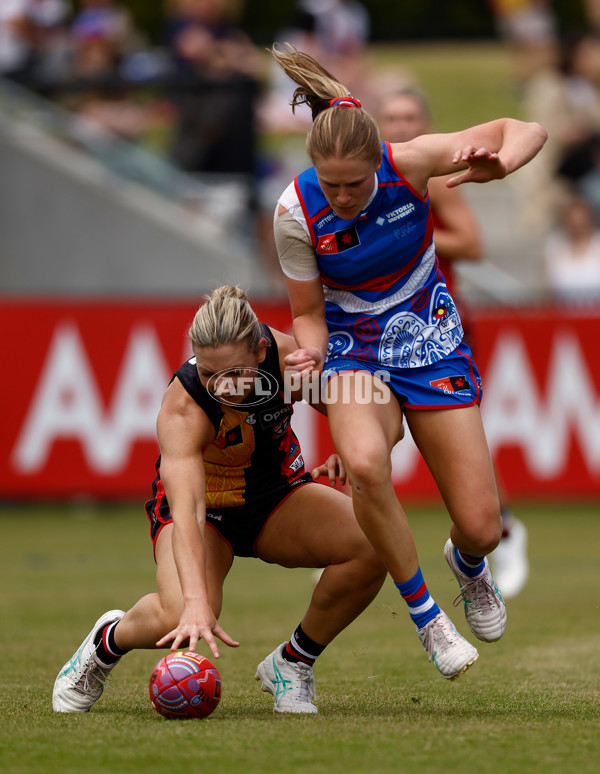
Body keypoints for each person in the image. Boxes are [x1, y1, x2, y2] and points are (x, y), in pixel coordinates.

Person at [270, 44, 547, 668]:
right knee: (364, 464)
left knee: (480, 525)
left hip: (430, 341)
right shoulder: (294, 212)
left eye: (355, 183)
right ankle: (427, 616)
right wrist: (309, 357)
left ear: (379, 163)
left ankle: (468, 564)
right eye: (330, 183)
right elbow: (309, 314)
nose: (342, 196)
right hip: (353, 354)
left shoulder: (411, 162)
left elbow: (526, 128)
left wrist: (503, 162)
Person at [52, 286, 389, 716]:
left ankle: (292, 663)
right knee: (181, 615)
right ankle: (106, 642)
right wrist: (195, 602)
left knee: (373, 543)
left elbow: (349, 403)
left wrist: (350, 445)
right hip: (205, 511)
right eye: (209, 374)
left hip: (276, 497)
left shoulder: (285, 357)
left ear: (260, 350)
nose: (220, 388)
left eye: (233, 373)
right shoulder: (183, 406)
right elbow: (188, 511)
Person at [375, 86, 530, 599]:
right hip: (380, 331)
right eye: (390, 117)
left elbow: (471, 243)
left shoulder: (430, 176)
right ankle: (359, 539)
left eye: (409, 116)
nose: (399, 126)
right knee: (370, 435)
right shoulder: (368, 180)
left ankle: (502, 531)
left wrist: (400, 233)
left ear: (428, 122)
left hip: (438, 327)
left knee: (464, 439)